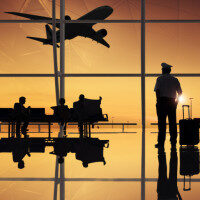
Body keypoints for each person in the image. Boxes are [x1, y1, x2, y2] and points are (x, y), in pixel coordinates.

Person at [154, 63, 182, 148]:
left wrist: (158, 101)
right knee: (172, 123)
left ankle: (161, 143)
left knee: (161, 124)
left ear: (163, 70)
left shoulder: (159, 79)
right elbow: (180, 92)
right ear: (169, 71)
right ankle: (173, 141)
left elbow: (157, 91)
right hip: (171, 102)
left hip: (162, 101)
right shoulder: (175, 79)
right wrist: (176, 101)